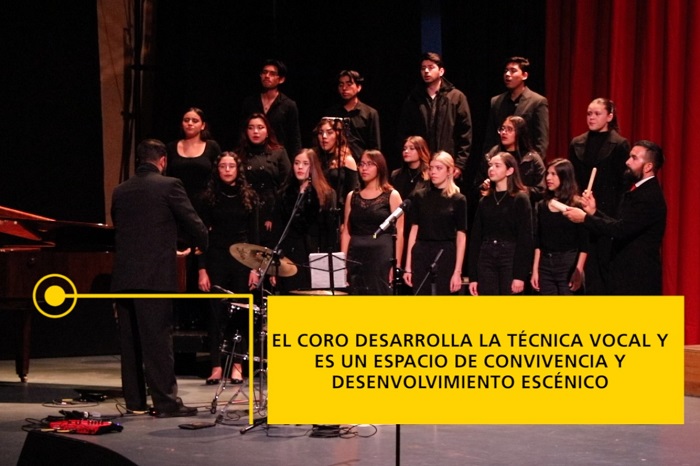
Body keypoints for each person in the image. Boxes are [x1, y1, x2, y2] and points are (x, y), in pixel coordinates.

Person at [111, 139, 208, 418]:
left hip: (124, 278)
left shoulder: (120, 190)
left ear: (139, 160)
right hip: (155, 277)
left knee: (130, 344)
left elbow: (120, 225)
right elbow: (193, 222)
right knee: (157, 342)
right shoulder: (170, 185)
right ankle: (165, 403)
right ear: (163, 160)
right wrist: (200, 244)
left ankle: (135, 403)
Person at [562, 141, 667, 295]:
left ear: (648, 167)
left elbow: (620, 230)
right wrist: (593, 212)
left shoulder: (648, 195)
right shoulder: (638, 190)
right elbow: (621, 224)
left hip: (638, 280)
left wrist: (585, 218)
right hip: (626, 275)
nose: (627, 162)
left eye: (634, 158)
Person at [197, 152, 259, 385]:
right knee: (215, 312)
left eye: (231, 166)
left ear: (238, 169)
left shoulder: (249, 196)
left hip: (242, 259)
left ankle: (237, 365)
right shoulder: (208, 198)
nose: (227, 170)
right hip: (216, 257)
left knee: (241, 312)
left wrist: (255, 268)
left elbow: (255, 235)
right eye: (223, 166)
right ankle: (215, 365)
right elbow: (202, 236)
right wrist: (202, 269)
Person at [568, 97, 631, 294]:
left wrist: (614, 217)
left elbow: (623, 185)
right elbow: (572, 179)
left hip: (606, 213)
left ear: (609, 117)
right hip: (580, 210)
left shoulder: (619, 144)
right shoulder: (577, 143)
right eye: (589, 113)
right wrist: (575, 198)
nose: (591, 117)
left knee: (601, 270)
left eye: (597, 113)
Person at [397, 52, 472, 180]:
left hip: (447, 163)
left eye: (431, 67)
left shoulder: (456, 97)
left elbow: (465, 133)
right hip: (420, 165)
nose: (426, 71)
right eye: (423, 68)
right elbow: (404, 132)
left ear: (441, 71)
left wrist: (460, 164)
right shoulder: (414, 99)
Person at [468, 152, 533, 296]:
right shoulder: (485, 201)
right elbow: (476, 238)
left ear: (509, 171)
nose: (491, 169)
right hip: (486, 257)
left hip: (509, 258)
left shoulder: (520, 199)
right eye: (490, 165)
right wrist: (473, 277)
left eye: (497, 166)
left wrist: (519, 276)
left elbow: (525, 239)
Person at [403, 151, 467, 295]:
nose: (433, 172)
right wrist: (408, 267)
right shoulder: (420, 196)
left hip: (445, 254)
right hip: (421, 253)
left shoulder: (458, 199)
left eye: (439, 168)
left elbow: (461, 236)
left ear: (449, 171)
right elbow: (414, 231)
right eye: (431, 168)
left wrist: (457, 271)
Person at [341, 150, 403, 295]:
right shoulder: (352, 196)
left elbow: (399, 231)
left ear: (379, 167)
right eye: (362, 164)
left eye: (369, 164)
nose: (364, 168)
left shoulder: (392, 195)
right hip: (356, 255)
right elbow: (346, 232)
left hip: (381, 255)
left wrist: (397, 264)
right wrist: (342, 263)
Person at [276, 149, 336, 293]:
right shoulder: (284, 193)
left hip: (314, 254)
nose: (300, 167)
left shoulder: (325, 194)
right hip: (289, 255)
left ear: (313, 167)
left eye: (305, 163)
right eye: (297, 163)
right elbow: (279, 228)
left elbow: (329, 232)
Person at [531, 159, 589, 295]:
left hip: (568, 264)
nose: (548, 178)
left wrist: (578, 270)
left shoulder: (576, 206)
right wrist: (535, 270)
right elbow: (538, 241)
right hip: (545, 264)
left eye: (553, 174)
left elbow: (584, 243)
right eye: (547, 173)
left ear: (565, 177)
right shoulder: (542, 205)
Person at [237, 113, 291, 248]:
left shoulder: (278, 152)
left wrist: (274, 214)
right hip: (247, 210)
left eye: (260, 127)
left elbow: (287, 183)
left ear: (267, 131)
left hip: (272, 210)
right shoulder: (239, 154)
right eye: (251, 128)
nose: (255, 131)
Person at [482, 56, 549, 159]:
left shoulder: (537, 102)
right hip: (500, 162)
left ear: (524, 75)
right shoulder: (496, 101)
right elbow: (490, 137)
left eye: (513, 71)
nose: (507, 74)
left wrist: (533, 163)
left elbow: (541, 140)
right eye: (506, 71)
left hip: (525, 161)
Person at [241, 59, 301, 160]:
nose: (267, 76)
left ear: (281, 79)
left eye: (272, 73)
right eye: (264, 72)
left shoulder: (288, 105)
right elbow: (242, 132)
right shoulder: (250, 102)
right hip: (252, 156)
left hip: (278, 158)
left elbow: (294, 138)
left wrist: (296, 160)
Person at [166, 107, 222, 214]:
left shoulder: (212, 146)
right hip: (177, 203)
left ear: (203, 125)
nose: (190, 123)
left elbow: (218, 175)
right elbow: (166, 176)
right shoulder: (171, 147)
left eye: (195, 121)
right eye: (186, 120)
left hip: (205, 205)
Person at [313, 117, 359, 247]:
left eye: (329, 132)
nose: (324, 137)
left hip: (337, 217)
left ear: (338, 134)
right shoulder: (315, 158)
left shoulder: (347, 160)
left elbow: (352, 194)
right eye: (321, 133)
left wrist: (346, 222)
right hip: (317, 216)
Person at [478, 115, 546, 202]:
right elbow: (478, 183)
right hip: (496, 203)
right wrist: (485, 185)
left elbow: (541, 190)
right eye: (502, 129)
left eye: (509, 129)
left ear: (520, 133)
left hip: (522, 204)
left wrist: (521, 190)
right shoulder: (493, 155)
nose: (504, 132)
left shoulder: (532, 159)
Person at [324, 70, 381, 160]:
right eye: (341, 85)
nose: (344, 88)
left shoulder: (370, 113)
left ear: (358, 87)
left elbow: (374, 147)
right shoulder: (331, 113)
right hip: (335, 162)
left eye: (349, 84)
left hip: (360, 163)